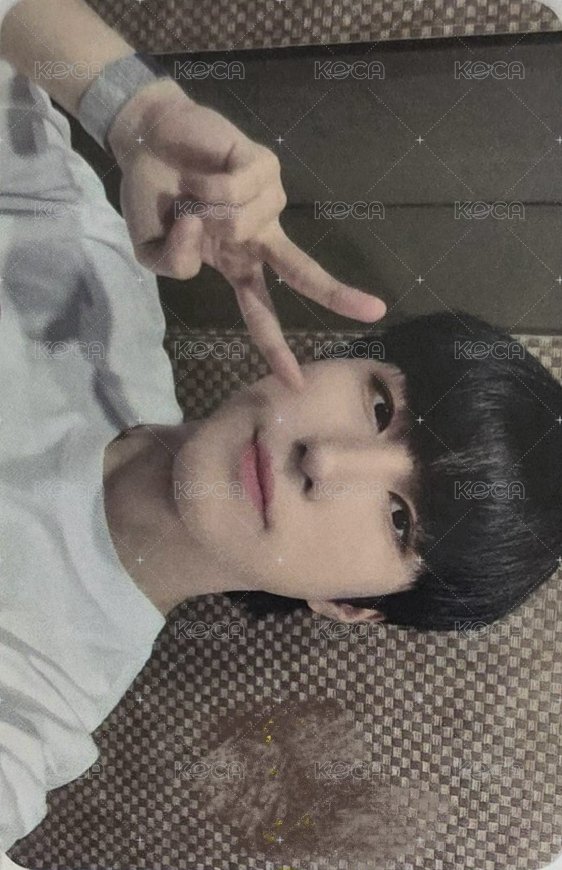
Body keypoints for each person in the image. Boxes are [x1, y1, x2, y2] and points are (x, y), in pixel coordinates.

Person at [0, 0, 561, 859]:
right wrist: (136, 112)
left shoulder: (37, 698)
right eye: (380, 407)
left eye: (400, 519)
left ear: (348, 606)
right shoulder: (92, 287)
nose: (327, 461)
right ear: (337, 356)